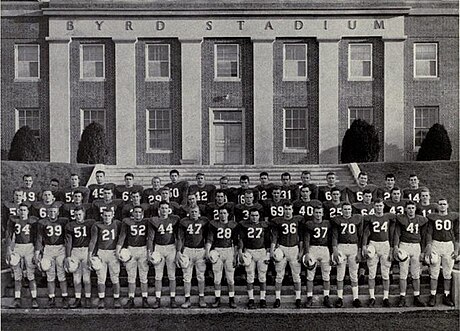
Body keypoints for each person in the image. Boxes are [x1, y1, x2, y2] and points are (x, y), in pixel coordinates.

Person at [393, 201, 428, 307]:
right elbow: (397, 233)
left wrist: (423, 251)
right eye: (409, 208)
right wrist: (395, 246)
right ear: (405, 209)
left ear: (415, 209)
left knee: (415, 274)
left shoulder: (421, 219)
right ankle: (402, 297)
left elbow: (424, 235)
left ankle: (416, 296)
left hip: (416, 246)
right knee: (403, 273)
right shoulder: (401, 219)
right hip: (404, 246)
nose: (411, 210)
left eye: (412, 208)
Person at [362, 198, 395, 307]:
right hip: (373, 244)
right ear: (374, 206)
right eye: (377, 206)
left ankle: (386, 297)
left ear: (383, 206)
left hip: (385, 244)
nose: (379, 208)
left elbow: (391, 233)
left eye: (380, 206)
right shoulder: (370, 218)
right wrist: (364, 246)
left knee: (385, 273)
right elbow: (366, 233)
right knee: (372, 273)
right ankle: (372, 297)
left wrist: (391, 248)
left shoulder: (388, 217)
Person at [425, 198, 459, 307]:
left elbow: (457, 234)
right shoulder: (432, 218)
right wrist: (429, 245)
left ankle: (446, 295)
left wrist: (457, 249)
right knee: (434, 272)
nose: (442, 206)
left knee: (447, 273)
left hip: (448, 245)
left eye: (444, 204)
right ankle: (433, 295)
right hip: (436, 244)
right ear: (437, 206)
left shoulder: (453, 217)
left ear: (447, 205)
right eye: (440, 204)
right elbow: (429, 233)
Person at [147, 200, 181, 308]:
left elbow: (179, 237)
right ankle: (157, 299)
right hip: (158, 248)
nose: (164, 210)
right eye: (162, 208)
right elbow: (150, 238)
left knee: (172, 275)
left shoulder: (174, 220)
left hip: (171, 247)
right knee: (158, 276)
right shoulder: (154, 220)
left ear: (169, 209)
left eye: (166, 208)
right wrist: (150, 252)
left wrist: (178, 251)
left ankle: (173, 299)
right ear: (158, 210)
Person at [35, 204, 69, 308]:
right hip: (48, 248)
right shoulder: (42, 223)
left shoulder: (63, 221)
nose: (52, 214)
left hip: (60, 248)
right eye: (50, 211)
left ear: (58, 212)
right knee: (49, 273)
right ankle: (51, 297)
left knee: (61, 273)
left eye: (54, 211)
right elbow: (39, 238)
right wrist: (37, 252)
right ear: (47, 212)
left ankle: (65, 297)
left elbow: (67, 238)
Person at [270, 202, 304, 308]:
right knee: (279, 275)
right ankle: (277, 298)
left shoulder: (297, 220)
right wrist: (272, 250)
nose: (288, 211)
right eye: (286, 209)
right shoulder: (278, 221)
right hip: (282, 248)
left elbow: (301, 237)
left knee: (296, 275)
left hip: (294, 248)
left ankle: (298, 298)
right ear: (283, 210)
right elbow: (274, 237)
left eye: (289, 209)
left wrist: (301, 251)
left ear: (292, 210)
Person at [5, 203, 39, 308]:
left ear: (28, 211)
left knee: (30, 274)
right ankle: (17, 298)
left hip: (29, 247)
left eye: (25, 210)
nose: (23, 212)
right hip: (18, 246)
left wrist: (37, 251)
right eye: (21, 210)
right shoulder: (13, 221)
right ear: (18, 211)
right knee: (17, 274)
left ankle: (34, 299)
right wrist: (9, 249)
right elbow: (9, 235)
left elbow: (37, 237)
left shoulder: (33, 221)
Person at [116, 206, 150, 308]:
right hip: (131, 250)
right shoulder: (127, 222)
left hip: (143, 249)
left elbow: (150, 238)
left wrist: (149, 252)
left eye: (140, 212)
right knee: (131, 276)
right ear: (132, 213)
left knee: (144, 277)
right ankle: (131, 299)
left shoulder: (147, 222)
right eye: (136, 212)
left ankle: (145, 299)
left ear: (143, 214)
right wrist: (118, 250)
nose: (138, 214)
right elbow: (122, 237)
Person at [88, 209, 122, 309]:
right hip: (101, 252)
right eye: (105, 215)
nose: (107, 217)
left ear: (113, 216)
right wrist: (90, 255)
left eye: (109, 215)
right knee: (101, 278)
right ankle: (101, 300)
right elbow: (93, 241)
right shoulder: (97, 225)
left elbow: (122, 236)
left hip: (113, 253)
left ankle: (116, 299)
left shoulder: (117, 224)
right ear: (102, 216)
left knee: (115, 277)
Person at [237, 208, 271, 309]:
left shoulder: (264, 225)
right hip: (249, 251)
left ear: (259, 216)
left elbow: (268, 240)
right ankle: (251, 298)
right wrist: (241, 251)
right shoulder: (245, 225)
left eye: (256, 215)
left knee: (262, 276)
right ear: (249, 216)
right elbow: (242, 239)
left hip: (261, 251)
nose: (254, 217)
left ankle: (262, 298)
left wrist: (268, 253)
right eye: (252, 215)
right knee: (250, 275)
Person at [205, 206, 238, 308]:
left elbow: (236, 242)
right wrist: (207, 252)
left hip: (229, 250)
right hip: (217, 251)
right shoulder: (214, 225)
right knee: (217, 279)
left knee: (230, 279)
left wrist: (235, 255)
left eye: (224, 213)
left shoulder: (233, 225)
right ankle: (217, 299)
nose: (223, 215)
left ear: (228, 214)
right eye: (221, 213)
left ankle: (232, 299)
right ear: (218, 214)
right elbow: (210, 240)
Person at [331, 202, 363, 308]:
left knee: (354, 274)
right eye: (345, 209)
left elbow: (360, 236)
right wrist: (335, 249)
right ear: (341, 210)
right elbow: (334, 236)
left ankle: (355, 298)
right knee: (340, 274)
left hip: (353, 246)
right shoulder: (337, 220)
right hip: (341, 246)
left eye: (349, 209)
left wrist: (359, 251)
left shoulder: (357, 219)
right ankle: (340, 298)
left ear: (351, 210)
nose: (347, 211)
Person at [177, 206, 209, 308]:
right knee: (187, 276)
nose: (194, 213)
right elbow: (180, 237)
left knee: (201, 276)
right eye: (192, 212)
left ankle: (201, 298)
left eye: (196, 212)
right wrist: (179, 251)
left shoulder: (204, 221)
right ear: (189, 213)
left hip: (200, 250)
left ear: (199, 213)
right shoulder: (184, 222)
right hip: (187, 250)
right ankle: (187, 299)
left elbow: (208, 237)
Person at [64, 206, 95, 308]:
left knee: (86, 278)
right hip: (75, 251)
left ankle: (88, 299)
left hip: (86, 250)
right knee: (76, 277)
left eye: (80, 214)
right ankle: (78, 299)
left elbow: (93, 239)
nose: (78, 217)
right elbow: (68, 242)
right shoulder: (70, 225)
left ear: (84, 214)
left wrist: (91, 253)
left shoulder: (90, 224)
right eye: (76, 215)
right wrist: (68, 256)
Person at [304, 206, 333, 308]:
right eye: (316, 212)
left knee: (326, 275)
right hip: (313, 248)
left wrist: (332, 252)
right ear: (313, 213)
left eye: (320, 212)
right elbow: (306, 239)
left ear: (322, 213)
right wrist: (307, 253)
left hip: (325, 249)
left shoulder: (327, 224)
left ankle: (326, 297)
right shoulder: (309, 224)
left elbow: (331, 238)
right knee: (310, 275)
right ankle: (309, 297)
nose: (318, 214)